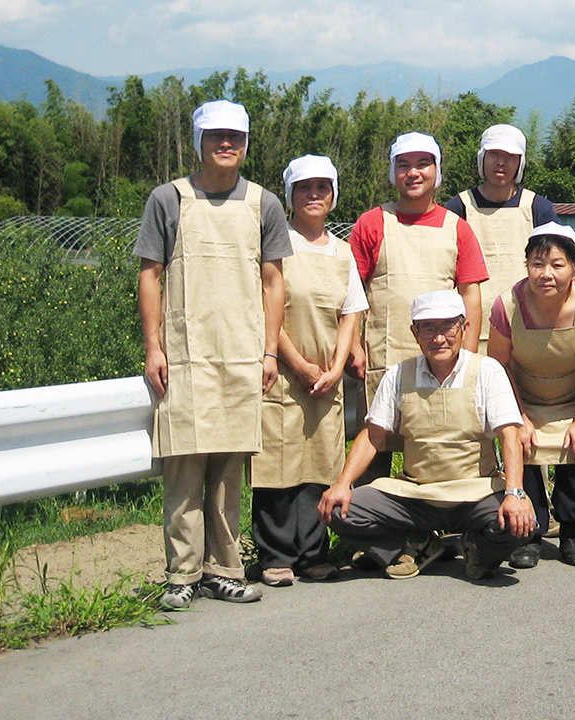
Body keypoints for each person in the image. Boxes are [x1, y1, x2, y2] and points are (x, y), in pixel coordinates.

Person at [134, 99, 289, 608]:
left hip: (241, 354)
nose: (227, 144)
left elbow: (273, 281)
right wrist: (153, 346)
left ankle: (224, 569)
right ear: (198, 141)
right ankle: (180, 575)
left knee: (226, 476)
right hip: (183, 354)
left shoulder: (264, 203)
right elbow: (150, 275)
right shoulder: (168, 198)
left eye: (236, 136)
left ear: (246, 143)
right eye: (216, 135)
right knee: (183, 471)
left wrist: (269, 351)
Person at [320, 290, 533, 581]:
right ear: (415, 333)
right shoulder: (398, 375)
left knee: (520, 522)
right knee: (337, 510)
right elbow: (373, 435)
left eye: (448, 327)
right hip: (415, 494)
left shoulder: (487, 371)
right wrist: (342, 484)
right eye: (428, 328)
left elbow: (510, 435)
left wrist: (515, 493)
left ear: (464, 328)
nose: (439, 338)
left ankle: (477, 550)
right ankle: (414, 546)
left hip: (475, 490)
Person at [249, 155, 368, 587]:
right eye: (304, 188)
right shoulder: (277, 245)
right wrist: (296, 363)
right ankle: (275, 555)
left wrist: (336, 367)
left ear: (333, 196)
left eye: (322, 187)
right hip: (282, 372)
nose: (313, 195)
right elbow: (267, 309)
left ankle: (313, 552)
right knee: (277, 466)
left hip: (326, 379)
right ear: (290, 196)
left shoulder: (343, 251)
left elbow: (351, 312)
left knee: (320, 465)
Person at [350, 131, 490, 480]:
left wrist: (467, 354)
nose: (413, 173)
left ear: (437, 171)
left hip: (443, 356)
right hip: (384, 354)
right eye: (404, 165)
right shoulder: (371, 223)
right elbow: (352, 292)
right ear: (393, 173)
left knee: (439, 441)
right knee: (376, 444)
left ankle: (439, 524)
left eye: (422, 164)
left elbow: (470, 294)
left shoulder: (457, 227)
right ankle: (376, 526)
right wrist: (354, 344)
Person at [486, 223, 575, 568]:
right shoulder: (506, 305)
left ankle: (574, 533)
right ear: (526, 266)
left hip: (574, 396)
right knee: (521, 450)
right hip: (522, 396)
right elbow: (500, 366)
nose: (546, 274)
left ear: (573, 268)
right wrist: (519, 418)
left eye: (557, 265)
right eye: (537, 264)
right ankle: (529, 534)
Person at [445, 122, 560, 344]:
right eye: (494, 154)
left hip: (529, 327)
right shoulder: (458, 207)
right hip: (470, 330)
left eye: (510, 156)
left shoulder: (539, 208)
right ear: (482, 158)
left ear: (520, 162)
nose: (501, 162)